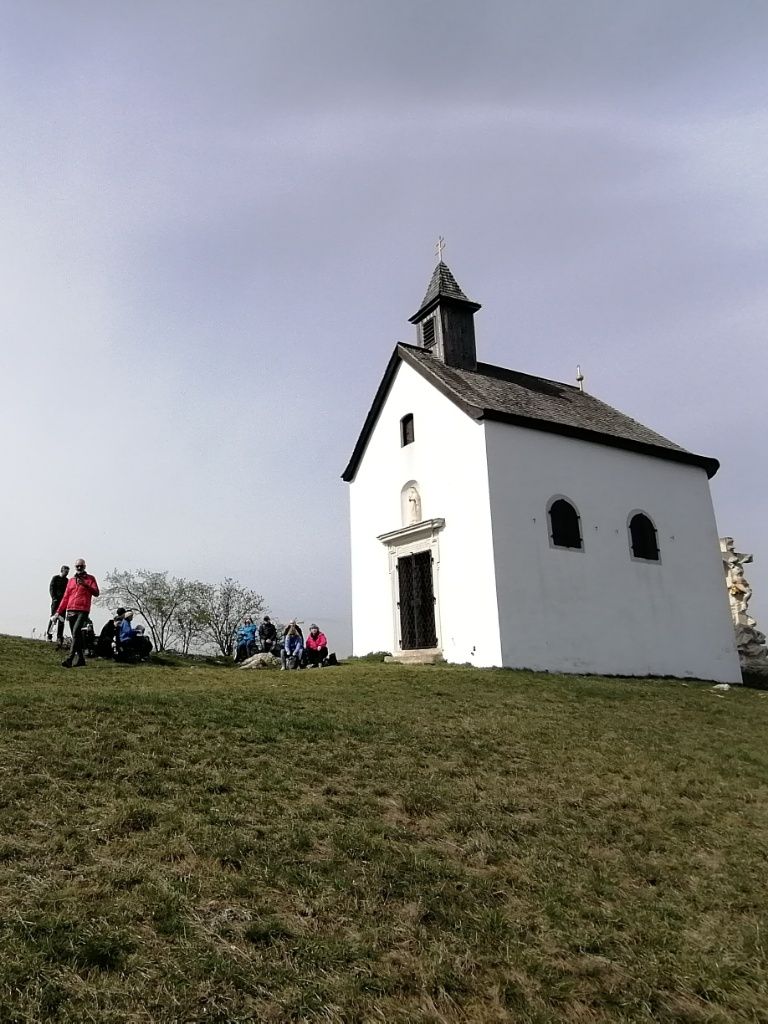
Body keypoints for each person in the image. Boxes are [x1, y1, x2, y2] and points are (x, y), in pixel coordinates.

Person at [56, 559, 100, 668]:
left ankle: (70, 659)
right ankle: (81, 659)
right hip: (71, 609)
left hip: (83, 610)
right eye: (77, 566)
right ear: (75, 567)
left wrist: (85, 585)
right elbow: (66, 597)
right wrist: (58, 612)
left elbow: (96, 593)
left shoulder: (90, 579)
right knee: (76, 636)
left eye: (81, 566)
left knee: (76, 632)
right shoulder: (71, 580)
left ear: (84, 566)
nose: (79, 568)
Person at [47, 565, 70, 645]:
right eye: (65, 571)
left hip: (63, 602)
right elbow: (51, 588)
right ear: (62, 570)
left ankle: (59, 637)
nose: (66, 573)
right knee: (53, 618)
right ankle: (49, 635)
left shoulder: (67, 581)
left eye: (67, 572)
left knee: (62, 620)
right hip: (56, 601)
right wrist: (54, 598)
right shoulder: (55, 578)